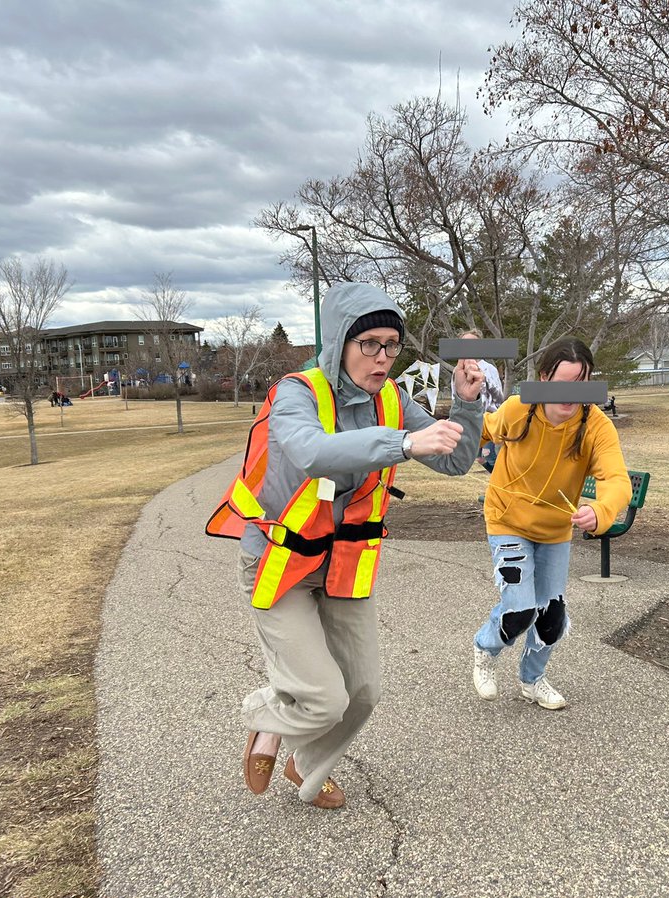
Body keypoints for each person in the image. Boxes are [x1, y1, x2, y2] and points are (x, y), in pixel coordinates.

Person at [215, 283, 485, 808]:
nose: (383, 357)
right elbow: (313, 451)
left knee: (361, 694)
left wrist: (467, 406)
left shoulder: (392, 399)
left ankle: (303, 765)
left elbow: (453, 461)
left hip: (344, 560)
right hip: (280, 558)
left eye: (392, 345)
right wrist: (403, 444)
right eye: (369, 344)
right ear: (339, 341)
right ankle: (266, 717)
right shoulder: (297, 392)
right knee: (321, 696)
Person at [470, 337, 632, 709]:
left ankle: (532, 679)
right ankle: (484, 647)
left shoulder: (595, 426)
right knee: (520, 609)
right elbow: (483, 428)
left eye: (581, 385)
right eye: (562, 382)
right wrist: (463, 448)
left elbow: (616, 480)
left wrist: (601, 511)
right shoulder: (518, 409)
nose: (569, 395)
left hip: (555, 530)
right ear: (544, 377)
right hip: (507, 519)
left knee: (551, 615)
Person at [450, 330, 505, 471]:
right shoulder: (457, 371)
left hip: (489, 421)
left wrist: (485, 381)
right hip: (469, 422)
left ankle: (498, 487)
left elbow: (499, 397)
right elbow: (454, 397)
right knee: (474, 458)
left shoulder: (489, 369)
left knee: (489, 456)